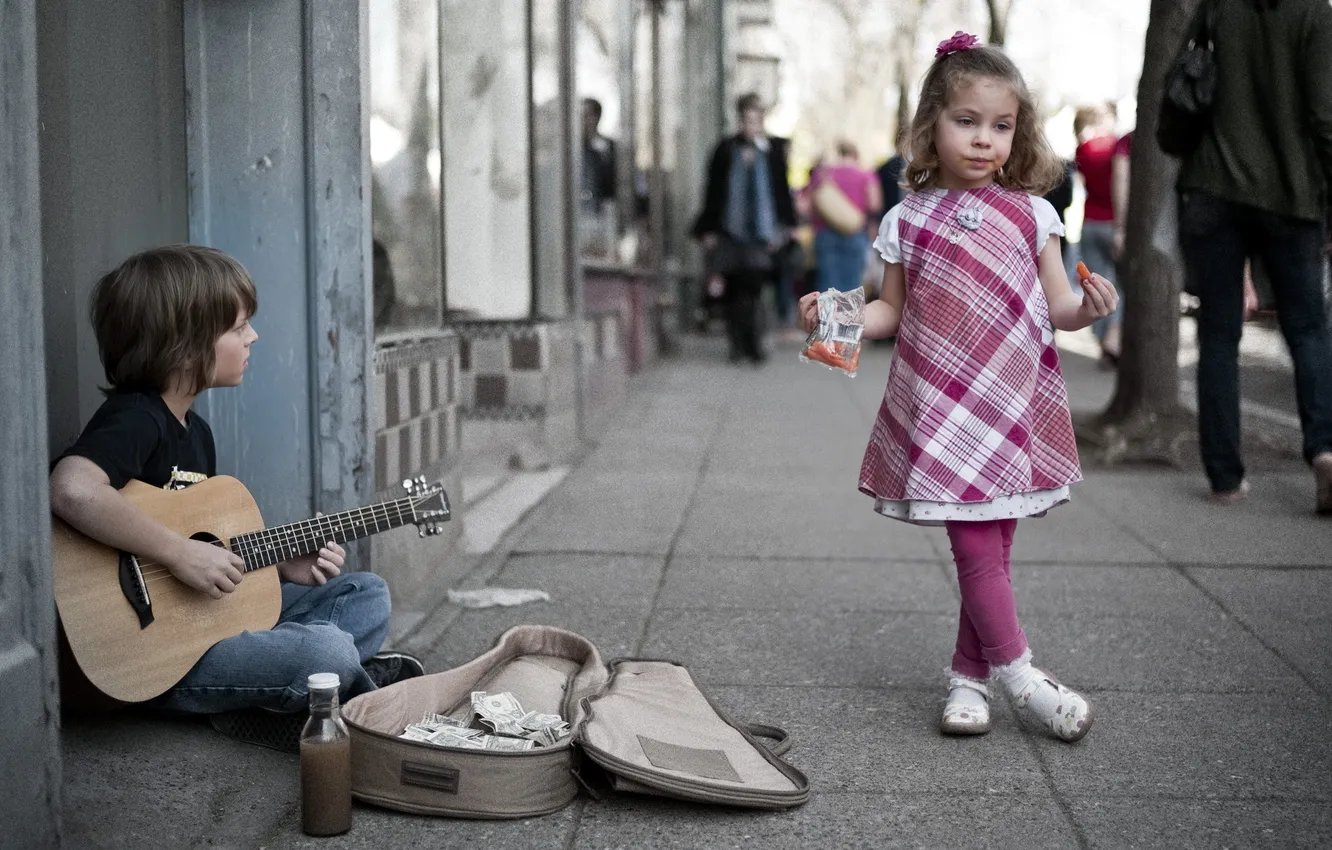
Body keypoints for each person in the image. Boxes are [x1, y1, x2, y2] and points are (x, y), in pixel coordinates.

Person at [801, 33, 1118, 741]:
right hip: (941, 404)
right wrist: (835, 316)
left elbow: (1061, 307)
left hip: (1012, 401)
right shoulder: (906, 220)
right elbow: (890, 310)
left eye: (1000, 126)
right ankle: (1022, 678)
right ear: (930, 125)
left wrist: (1089, 311)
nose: (983, 140)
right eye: (965, 121)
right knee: (975, 547)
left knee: (991, 551)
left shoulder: (1036, 215)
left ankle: (968, 679)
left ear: (1019, 132)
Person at [48, 245, 425, 749]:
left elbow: (209, 568)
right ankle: (345, 695)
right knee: (328, 651)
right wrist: (178, 552)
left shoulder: (197, 432)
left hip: (200, 629)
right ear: (184, 345)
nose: (253, 337)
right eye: (239, 327)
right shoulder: (136, 418)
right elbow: (71, 487)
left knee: (366, 595)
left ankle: (276, 698)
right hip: (153, 659)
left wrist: (278, 568)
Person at [1175, 0, 1332, 512]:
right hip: (1292, 193)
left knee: (1218, 337)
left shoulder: (1217, 6)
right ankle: (1325, 448)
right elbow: (1326, 116)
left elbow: (1184, 83)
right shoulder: (1315, 13)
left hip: (1212, 189)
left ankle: (1225, 477)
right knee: (1308, 329)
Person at [692, 92, 797, 364]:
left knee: (754, 284)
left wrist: (786, 226)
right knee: (732, 287)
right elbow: (713, 191)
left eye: (756, 119)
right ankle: (737, 343)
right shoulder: (726, 149)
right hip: (730, 231)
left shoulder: (772, 151)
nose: (751, 125)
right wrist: (708, 229)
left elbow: (781, 191)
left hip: (761, 233)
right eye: (746, 119)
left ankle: (753, 342)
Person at [1074, 102, 1124, 365]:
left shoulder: (1083, 149)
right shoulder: (1118, 147)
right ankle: (1113, 339)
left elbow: (1082, 184)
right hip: (1115, 223)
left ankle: (1103, 341)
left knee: (1093, 282)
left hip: (1090, 222)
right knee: (1117, 286)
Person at [806, 140, 883, 293]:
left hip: (825, 235)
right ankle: (848, 317)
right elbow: (874, 204)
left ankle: (827, 317)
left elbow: (810, 205)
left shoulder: (822, 174)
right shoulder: (866, 175)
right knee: (851, 288)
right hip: (854, 234)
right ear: (855, 154)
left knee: (826, 288)